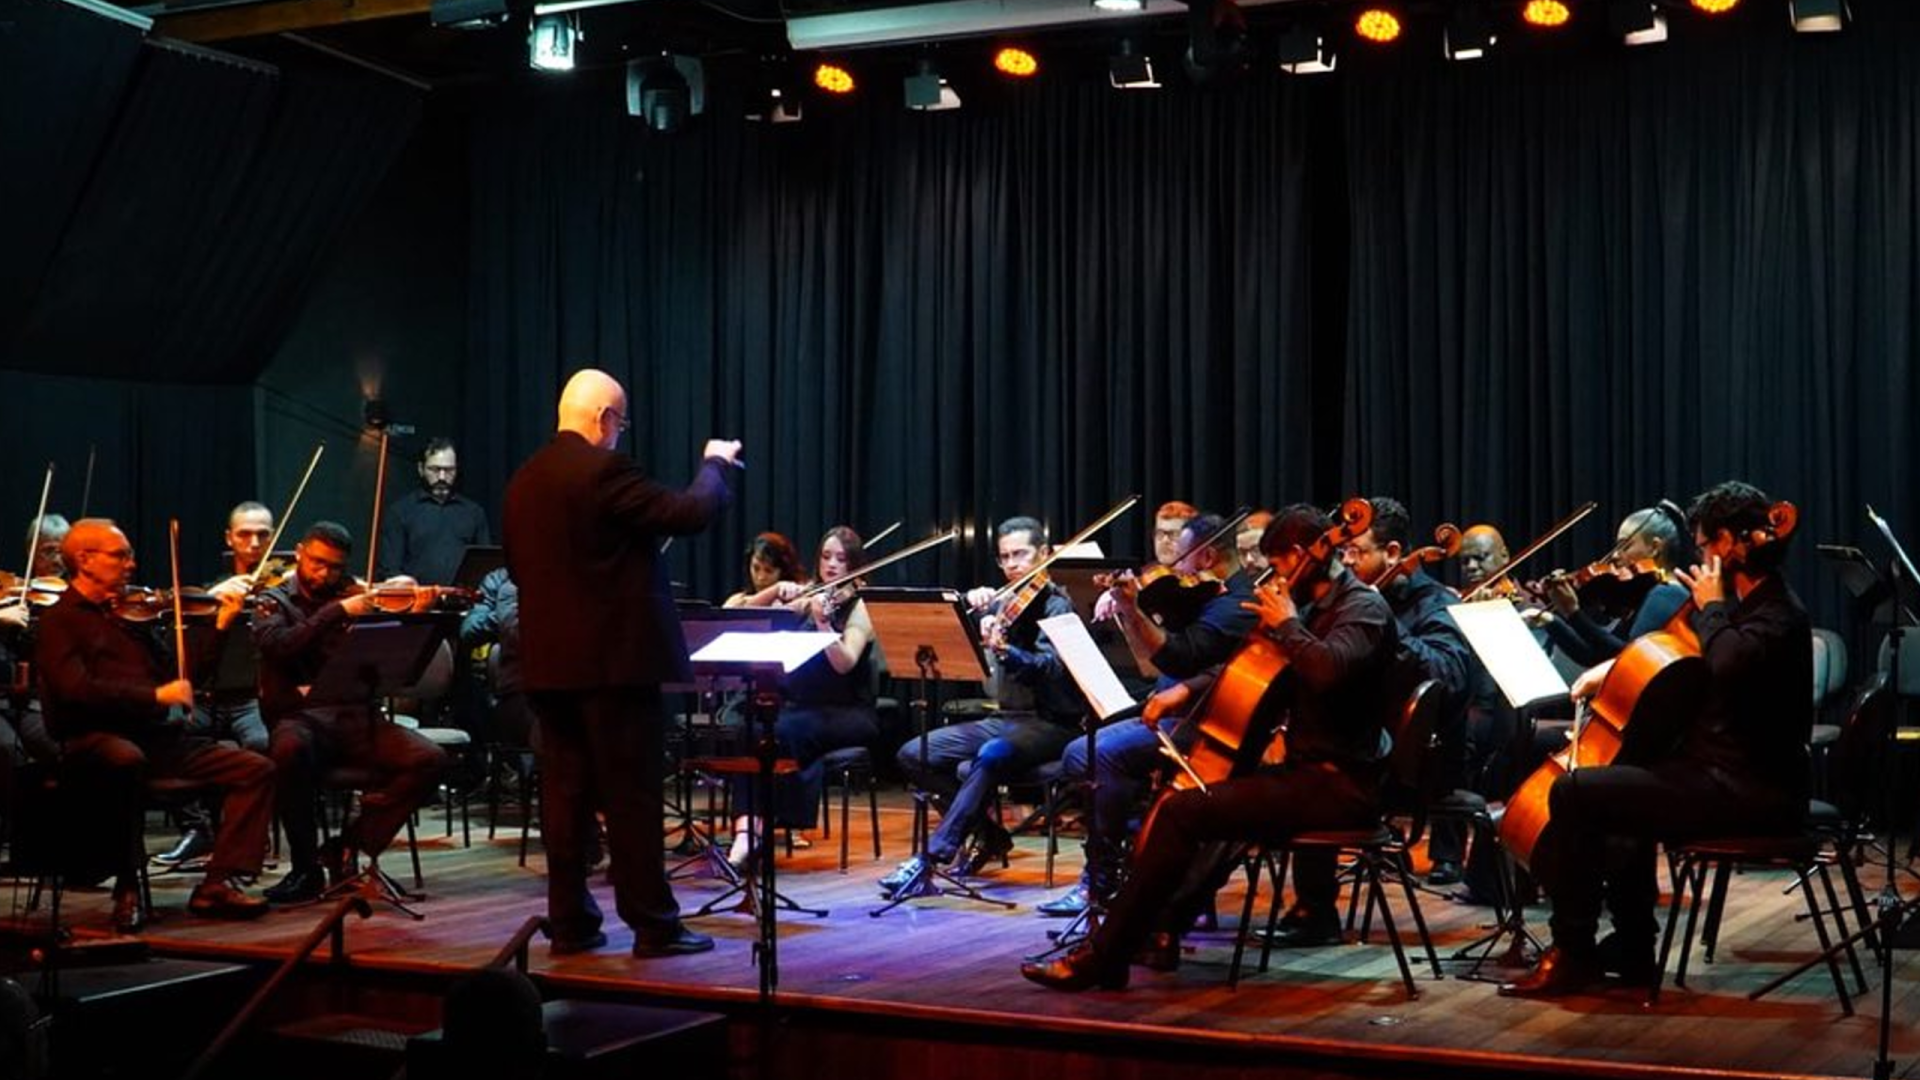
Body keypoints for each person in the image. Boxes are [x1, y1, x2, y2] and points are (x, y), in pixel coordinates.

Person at [1021, 505, 1401, 991]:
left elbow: (1326, 670)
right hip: (1305, 773)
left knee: (1183, 812)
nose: (1270, 578)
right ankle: (1151, 932)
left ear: (1305, 556)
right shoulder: (1310, 610)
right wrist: (1187, 688)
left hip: (1342, 783)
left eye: (1278, 564)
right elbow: (1251, 666)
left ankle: (1106, 955)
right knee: (1200, 805)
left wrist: (1287, 625)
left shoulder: (1362, 610)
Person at [1500, 481, 1810, 997]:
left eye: (1708, 545)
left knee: (1576, 791)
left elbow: (1728, 660)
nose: (1703, 558)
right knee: (1627, 782)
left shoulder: (1777, 614)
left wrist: (1710, 606)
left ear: (1734, 543)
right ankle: (1633, 946)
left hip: (1753, 791)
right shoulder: (1740, 607)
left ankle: (1574, 951)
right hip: (1716, 776)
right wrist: (1618, 670)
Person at [503, 368, 740, 959]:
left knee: (566, 798)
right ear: (606, 419)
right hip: (614, 666)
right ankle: (654, 924)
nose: (620, 433)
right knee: (631, 796)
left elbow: (525, 568)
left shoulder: (522, 482)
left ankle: (573, 923)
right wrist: (715, 464)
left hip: (549, 666)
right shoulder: (606, 470)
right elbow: (687, 513)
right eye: (621, 422)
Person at [33, 518, 273, 932]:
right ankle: (126, 885)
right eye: (120, 555)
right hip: (94, 738)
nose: (131, 564)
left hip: (156, 739)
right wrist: (152, 697)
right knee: (126, 760)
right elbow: (76, 689)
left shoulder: (132, 617)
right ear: (85, 560)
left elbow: (179, 678)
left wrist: (218, 628)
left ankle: (218, 882)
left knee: (255, 768)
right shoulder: (60, 620)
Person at [1037, 512, 1258, 917]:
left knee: (1097, 754)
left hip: (1208, 727)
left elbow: (1179, 655)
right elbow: (1164, 654)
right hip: (1180, 713)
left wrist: (1134, 609)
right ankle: (1123, 864)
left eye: (1181, 558)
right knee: (1085, 745)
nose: (1175, 570)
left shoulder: (1237, 605)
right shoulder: (1207, 596)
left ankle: (1102, 880)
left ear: (1206, 557)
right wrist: (1130, 607)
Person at [881, 516, 1084, 893]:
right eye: (1005, 557)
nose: (1012, 565)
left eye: (1020, 555)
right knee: (914, 753)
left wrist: (1006, 651)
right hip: (1006, 720)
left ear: (1043, 554)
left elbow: (1051, 669)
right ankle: (988, 835)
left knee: (991, 754)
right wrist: (980, 623)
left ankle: (933, 856)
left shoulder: (1057, 605)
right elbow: (990, 684)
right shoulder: (1004, 604)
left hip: (1053, 724)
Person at [253, 521, 449, 903]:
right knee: (288, 752)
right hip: (300, 717)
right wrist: (337, 611)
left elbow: (395, 660)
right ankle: (305, 869)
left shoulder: (356, 595)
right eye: (317, 563)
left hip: (355, 716)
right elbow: (278, 645)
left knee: (430, 759)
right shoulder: (273, 601)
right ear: (299, 553)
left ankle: (348, 845)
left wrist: (415, 616)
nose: (325, 574)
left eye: (335, 567)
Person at [725, 526, 880, 868]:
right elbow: (739, 610)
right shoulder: (811, 595)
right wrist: (779, 595)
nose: (832, 565)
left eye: (842, 558)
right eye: (826, 557)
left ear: (854, 563)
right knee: (751, 726)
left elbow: (845, 663)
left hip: (849, 711)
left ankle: (773, 823)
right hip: (805, 705)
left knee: (784, 731)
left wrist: (824, 625)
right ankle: (747, 828)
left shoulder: (861, 606)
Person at [1341, 497, 1476, 884]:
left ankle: (1315, 910)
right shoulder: (1353, 600)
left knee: (1312, 775)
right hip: (1367, 747)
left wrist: (1383, 621)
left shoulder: (1435, 603)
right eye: (1342, 552)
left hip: (1418, 759)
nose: (1346, 562)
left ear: (1394, 553)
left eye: (1355, 551)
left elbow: (1446, 676)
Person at [1535, 503, 1691, 668]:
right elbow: (1594, 657)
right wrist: (1550, 621)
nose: (1615, 555)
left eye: (1625, 546)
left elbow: (1626, 659)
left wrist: (1573, 612)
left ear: (1654, 547)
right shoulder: (1649, 595)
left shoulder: (1668, 593)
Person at [377, 438, 492, 586]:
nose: (442, 477)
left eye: (449, 470)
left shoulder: (474, 512)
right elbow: (390, 570)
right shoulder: (400, 512)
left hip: (464, 603)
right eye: (435, 469)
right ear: (421, 469)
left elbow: (485, 566)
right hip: (416, 603)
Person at [722, 532, 807, 608]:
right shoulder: (737, 601)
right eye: (756, 568)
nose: (761, 577)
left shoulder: (798, 601)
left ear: (783, 571)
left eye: (769, 571)